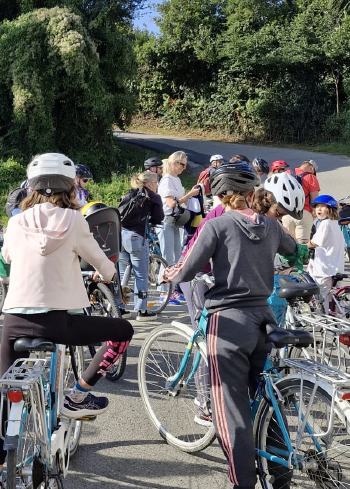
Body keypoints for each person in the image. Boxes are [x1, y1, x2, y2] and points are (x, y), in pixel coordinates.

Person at [0, 153, 133, 489]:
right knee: (123, 331)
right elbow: (105, 267)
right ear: (70, 186)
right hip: (60, 324)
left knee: (6, 399)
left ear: (31, 186)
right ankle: (79, 394)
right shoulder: (75, 221)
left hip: (15, 322)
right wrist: (103, 274)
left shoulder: (17, 222)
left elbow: (6, 261)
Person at [163, 165, 297, 489]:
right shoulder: (270, 225)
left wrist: (169, 274)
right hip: (264, 319)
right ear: (253, 193)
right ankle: (281, 473)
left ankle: (243, 483)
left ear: (221, 196)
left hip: (228, 325)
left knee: (230, 410)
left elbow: (187, 268)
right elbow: (293, 250)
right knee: (267, 396)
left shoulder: (218, 225)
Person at [118, 171, 164, 320]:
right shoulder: (153, 196)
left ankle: (120, 308)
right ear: (150, 184)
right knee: (140, 274)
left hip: (120, 235)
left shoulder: (129, 193)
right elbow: (159, 217)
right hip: (136, 237)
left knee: (122, 274)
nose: (157, 185)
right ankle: (142, 311)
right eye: (156, 183)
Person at [157, 151, 199, 302]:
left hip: (175, 221)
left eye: (185, 165)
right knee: (167, 257)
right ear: (174, 163)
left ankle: (172, 289)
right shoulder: (167, 180)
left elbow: (180, 201)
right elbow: (171, 203)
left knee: (175, 256)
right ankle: (163, 291)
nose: (184, 167)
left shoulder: (176, 179)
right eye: (182, 164)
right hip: (167, 220)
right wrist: (190, 195)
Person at [307, 195, 344, 304]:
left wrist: (302, 246)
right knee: (336, 296)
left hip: (325, 268)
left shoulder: (325, 224)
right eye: (317, 206)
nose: (319, 209)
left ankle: (324, 318)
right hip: (337, 267)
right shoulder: (335, 224)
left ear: (330, 210)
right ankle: (339, 316)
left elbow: (315, 242)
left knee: (322, 295)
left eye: (323, 207)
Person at [281, 159, 320, 245]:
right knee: (302, 246)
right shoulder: (311, 177)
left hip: (286, 213)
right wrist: (314, 214)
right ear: (312, 168)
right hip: (303, 214)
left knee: (288, 245)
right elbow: (315, 200)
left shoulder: (285, 174)